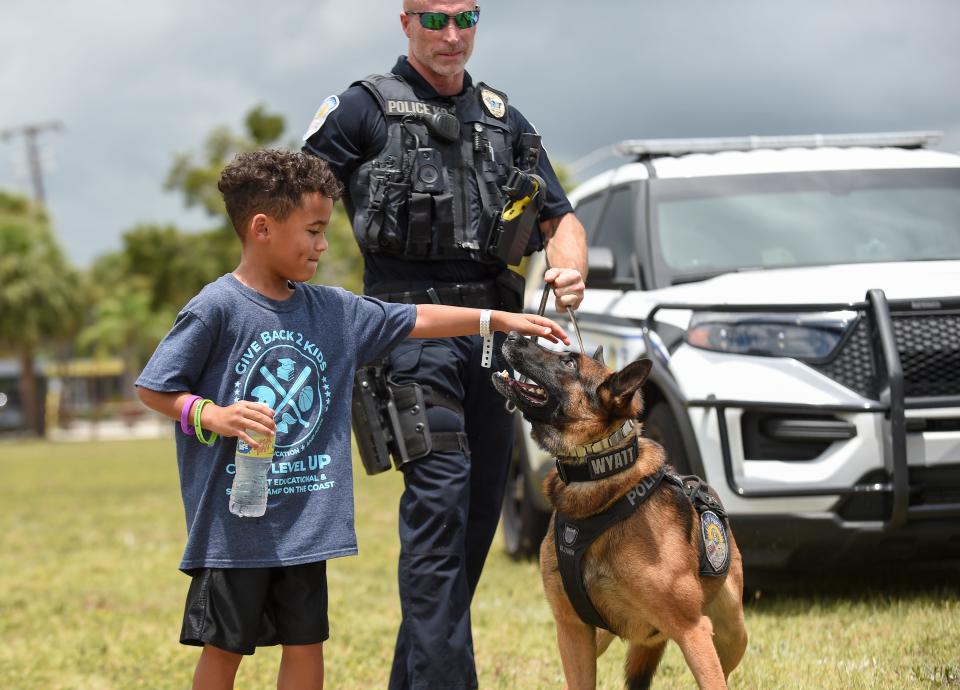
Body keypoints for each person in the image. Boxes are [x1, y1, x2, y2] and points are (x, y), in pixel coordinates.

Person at [134, 149, 569, 690]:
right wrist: (213, 414)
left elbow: (415, 318)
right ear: (262, 228)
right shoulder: (216, 307)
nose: (323, 245)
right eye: (313, 231)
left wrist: (494, 317)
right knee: (224, 649)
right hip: (235, 527)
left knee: (306, 644)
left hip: (304, 525)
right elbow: (156, 387)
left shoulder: (332, 310)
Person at [301, 2, 588, 687]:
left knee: (473, 525)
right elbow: (299, 197)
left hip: (495, 343)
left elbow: (560, 215)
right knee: (438, 509)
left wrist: (570, 264)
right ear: (405, 23)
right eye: (433, 19)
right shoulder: (362, 108)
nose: (451, 34)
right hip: (409, 334)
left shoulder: (503, 117)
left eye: (466, 17)